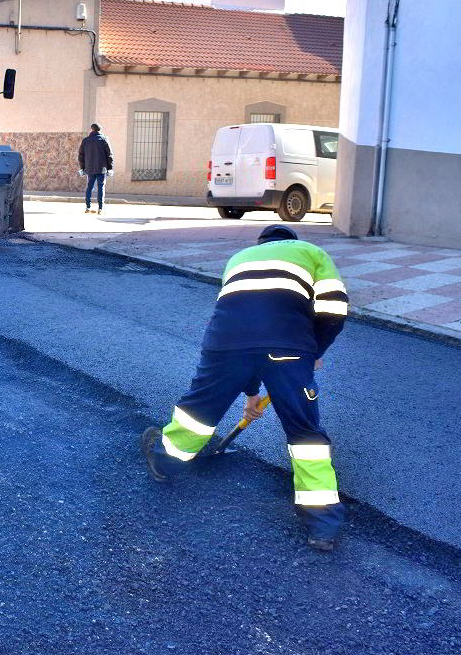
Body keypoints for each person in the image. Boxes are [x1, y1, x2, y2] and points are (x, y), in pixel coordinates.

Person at [141, 224, 349, 551]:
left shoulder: (238, 258)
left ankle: (164, 460)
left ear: (261, 243)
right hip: (289, 347)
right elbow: (334, 308)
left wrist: (251, 390)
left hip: (225, 343)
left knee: (198, 413)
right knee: (305, 433)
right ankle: (322, 526)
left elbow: (244, 322)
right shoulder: (313, 253)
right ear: (292, 242)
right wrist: (314, 352)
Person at [78, 123, 114, 214]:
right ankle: (100, 209)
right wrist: (110, 168)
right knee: (101, 187)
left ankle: (88, 207)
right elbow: (109, 154)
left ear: (92, 129)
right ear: (100, 130)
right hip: (102, 168)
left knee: (89, 187)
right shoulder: (104, 139)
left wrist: (82, 168)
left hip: (89, 168)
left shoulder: (85, 140)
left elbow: (81, 155)